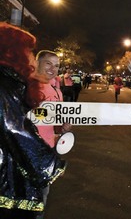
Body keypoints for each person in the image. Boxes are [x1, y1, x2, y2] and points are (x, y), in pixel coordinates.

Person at [0, 23, 66, 219]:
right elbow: (15, 128)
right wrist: (48, 164)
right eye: (28, 51)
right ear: (13, 52)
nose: (30, 56)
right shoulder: (7, 86)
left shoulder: (49, 88)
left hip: (27, 159)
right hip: (17, 167)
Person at [34, 50, 72, 218]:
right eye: (48, 63)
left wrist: (63, 127)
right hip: (25, 151)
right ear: (37, 64)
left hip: (48, 151)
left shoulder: (57, 91)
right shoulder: (25, 86)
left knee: (42, 196)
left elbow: (56, 124)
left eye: (56, 65)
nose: (53, 68)